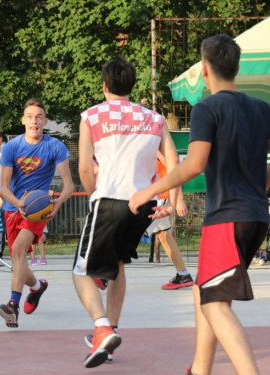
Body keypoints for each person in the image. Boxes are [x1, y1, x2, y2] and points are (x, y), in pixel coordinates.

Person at [129, 34, 270, 375]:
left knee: (217, 306)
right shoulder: (262, 108)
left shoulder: (206, 108)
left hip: (226, 219)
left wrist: (149, 193)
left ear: (205, 70)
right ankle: (199, 369)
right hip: (257, 217)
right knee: (203, 291)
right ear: (236, 67)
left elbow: (193, 164)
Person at [74, 57, 179, 368]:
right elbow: (174, 161)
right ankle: (111, 337)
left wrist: (94, 194)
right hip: (144, 204)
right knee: (118, 265)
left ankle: (102, 328)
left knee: (81, 271)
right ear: (132, 86)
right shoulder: (154, 118)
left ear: (105, 86)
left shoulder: (91, 116)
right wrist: (170, 202)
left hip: (109, 199)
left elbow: (82, 166)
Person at [0, 98, 74, 328]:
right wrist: (17, 203)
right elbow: (4, 187)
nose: (34, 120)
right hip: (14, 208)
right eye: (30, 116)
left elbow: (69, 185)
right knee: (18, 261)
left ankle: (13, 305)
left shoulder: (55, 146)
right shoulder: (11, 147)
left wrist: (57, 204)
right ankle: (38, 286)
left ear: (45, 121)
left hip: (37, 210)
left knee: (19, 250)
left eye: (38, 116)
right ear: (23, 120)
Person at [145, 159, 193, 290]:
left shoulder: (158, 139)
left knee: (128, 232)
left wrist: (179, 200)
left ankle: (105, 274)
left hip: (160, 197)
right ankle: (183, 275)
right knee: (164, 235)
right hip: (152, 195)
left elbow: (173, 167)